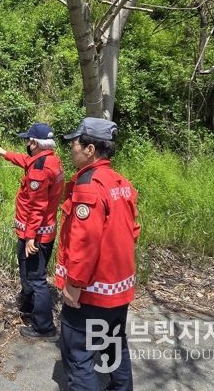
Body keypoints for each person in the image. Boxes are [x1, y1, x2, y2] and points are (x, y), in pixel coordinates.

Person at [55, 118, 140, 391]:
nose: (71, 150)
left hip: (91, 292)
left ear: (90, 149)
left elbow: (84, 242)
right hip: (119, 288)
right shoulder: (120, 182)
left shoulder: (89, 185)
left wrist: (74, 284)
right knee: (114, 344)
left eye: (75, 144)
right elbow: (133, 231)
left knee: (79, 355)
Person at [0, 123, 65, 340]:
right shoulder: (51, 160)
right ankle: (29, 307)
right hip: (45, 231)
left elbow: (37, 207)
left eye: (28, 139)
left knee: (36, 279)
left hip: (35, 235)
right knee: (30, 274)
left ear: (34, 142)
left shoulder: (39, 171)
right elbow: (26, 161)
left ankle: (44, 327)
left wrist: (30, 238)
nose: (26, 143)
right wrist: (6, 154)